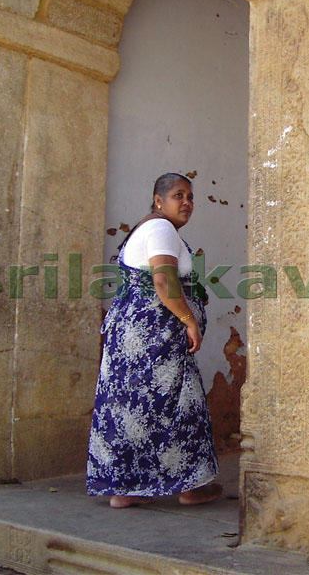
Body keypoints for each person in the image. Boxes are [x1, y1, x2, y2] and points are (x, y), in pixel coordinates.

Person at [87, 173, 221, 508]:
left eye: (190, 197)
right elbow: (163, 281)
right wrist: (189, 319)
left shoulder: (145, 229)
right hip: (156, 337)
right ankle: (189, 487)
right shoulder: (160, 229)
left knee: (132, 408)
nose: (187, 203)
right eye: (178, 195)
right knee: (181, 404)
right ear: (158, 200)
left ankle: (126, 489)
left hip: (133, 337)